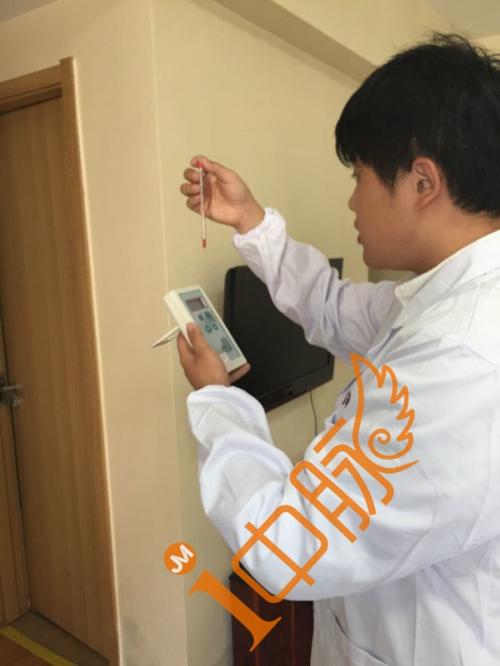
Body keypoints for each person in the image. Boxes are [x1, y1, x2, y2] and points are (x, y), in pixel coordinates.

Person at [177, 31, 500, 665]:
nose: (352, 201)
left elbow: (289, 546)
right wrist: (251, 222)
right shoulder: (447, 300)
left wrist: (218, 402)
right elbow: (332, 306)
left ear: (422, 182)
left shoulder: (462, 359)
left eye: (360, 177)